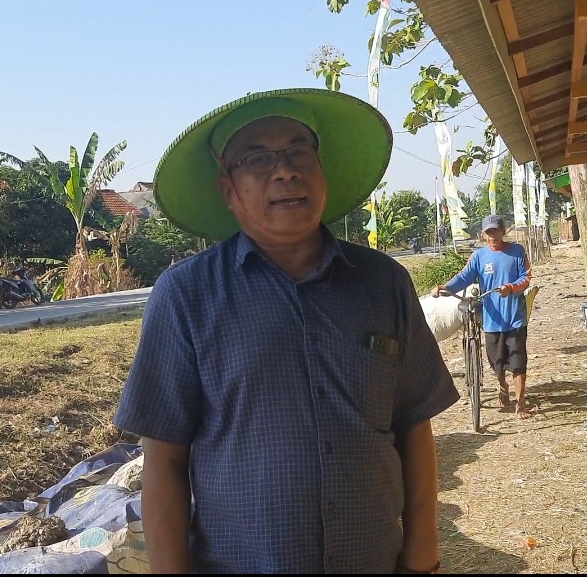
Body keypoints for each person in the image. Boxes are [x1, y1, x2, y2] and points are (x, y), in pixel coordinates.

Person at [113, 88, 458, 574]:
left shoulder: (384, 283)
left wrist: (423, 556)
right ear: (228, 191)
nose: (285, 169)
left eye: (300, 151)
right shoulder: (186, 296)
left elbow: (414, 427)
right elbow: (164, 462)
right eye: (257, 157)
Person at [432, 215, 533, 419]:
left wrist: (511, 288)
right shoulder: (479, 256)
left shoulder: (517, 251)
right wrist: (445, 287)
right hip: (492, 319)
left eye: (495, 230)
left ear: (503, 231)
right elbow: (464, 277)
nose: (492, 235)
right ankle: (503, 387)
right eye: (488, 232)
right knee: (496, 364)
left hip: (515, 317)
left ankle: (520, 404)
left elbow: (526, 278)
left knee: (518, 361)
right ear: (482, 235)